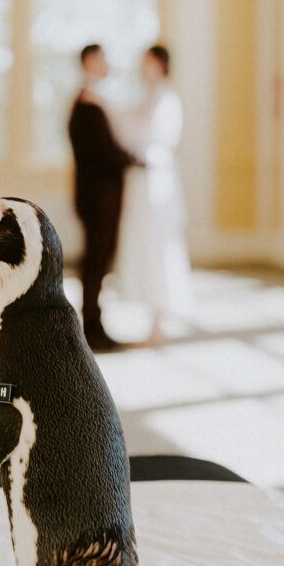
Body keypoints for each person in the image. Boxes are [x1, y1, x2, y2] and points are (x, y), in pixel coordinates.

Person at [113, 44, 193, 342]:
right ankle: (154, 319)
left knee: (158, 244)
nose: (140, 66)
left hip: (156, 183)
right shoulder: (149, 97)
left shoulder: (165, 98)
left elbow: (141, 134)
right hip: (143, 181)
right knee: (144, 244)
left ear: (159, 64)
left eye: (146, 61)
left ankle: (161, 318)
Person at [68, 44, 140, 352]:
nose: (106, 64)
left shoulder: (93, 101)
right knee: (96, 263)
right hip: (97, 197)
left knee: (98, 262)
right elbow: (101, 152)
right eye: (101, 59)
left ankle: (93, 325)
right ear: (88, 62)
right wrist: (131, 159)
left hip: (99, 196)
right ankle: (91, 329)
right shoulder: (87, 103)